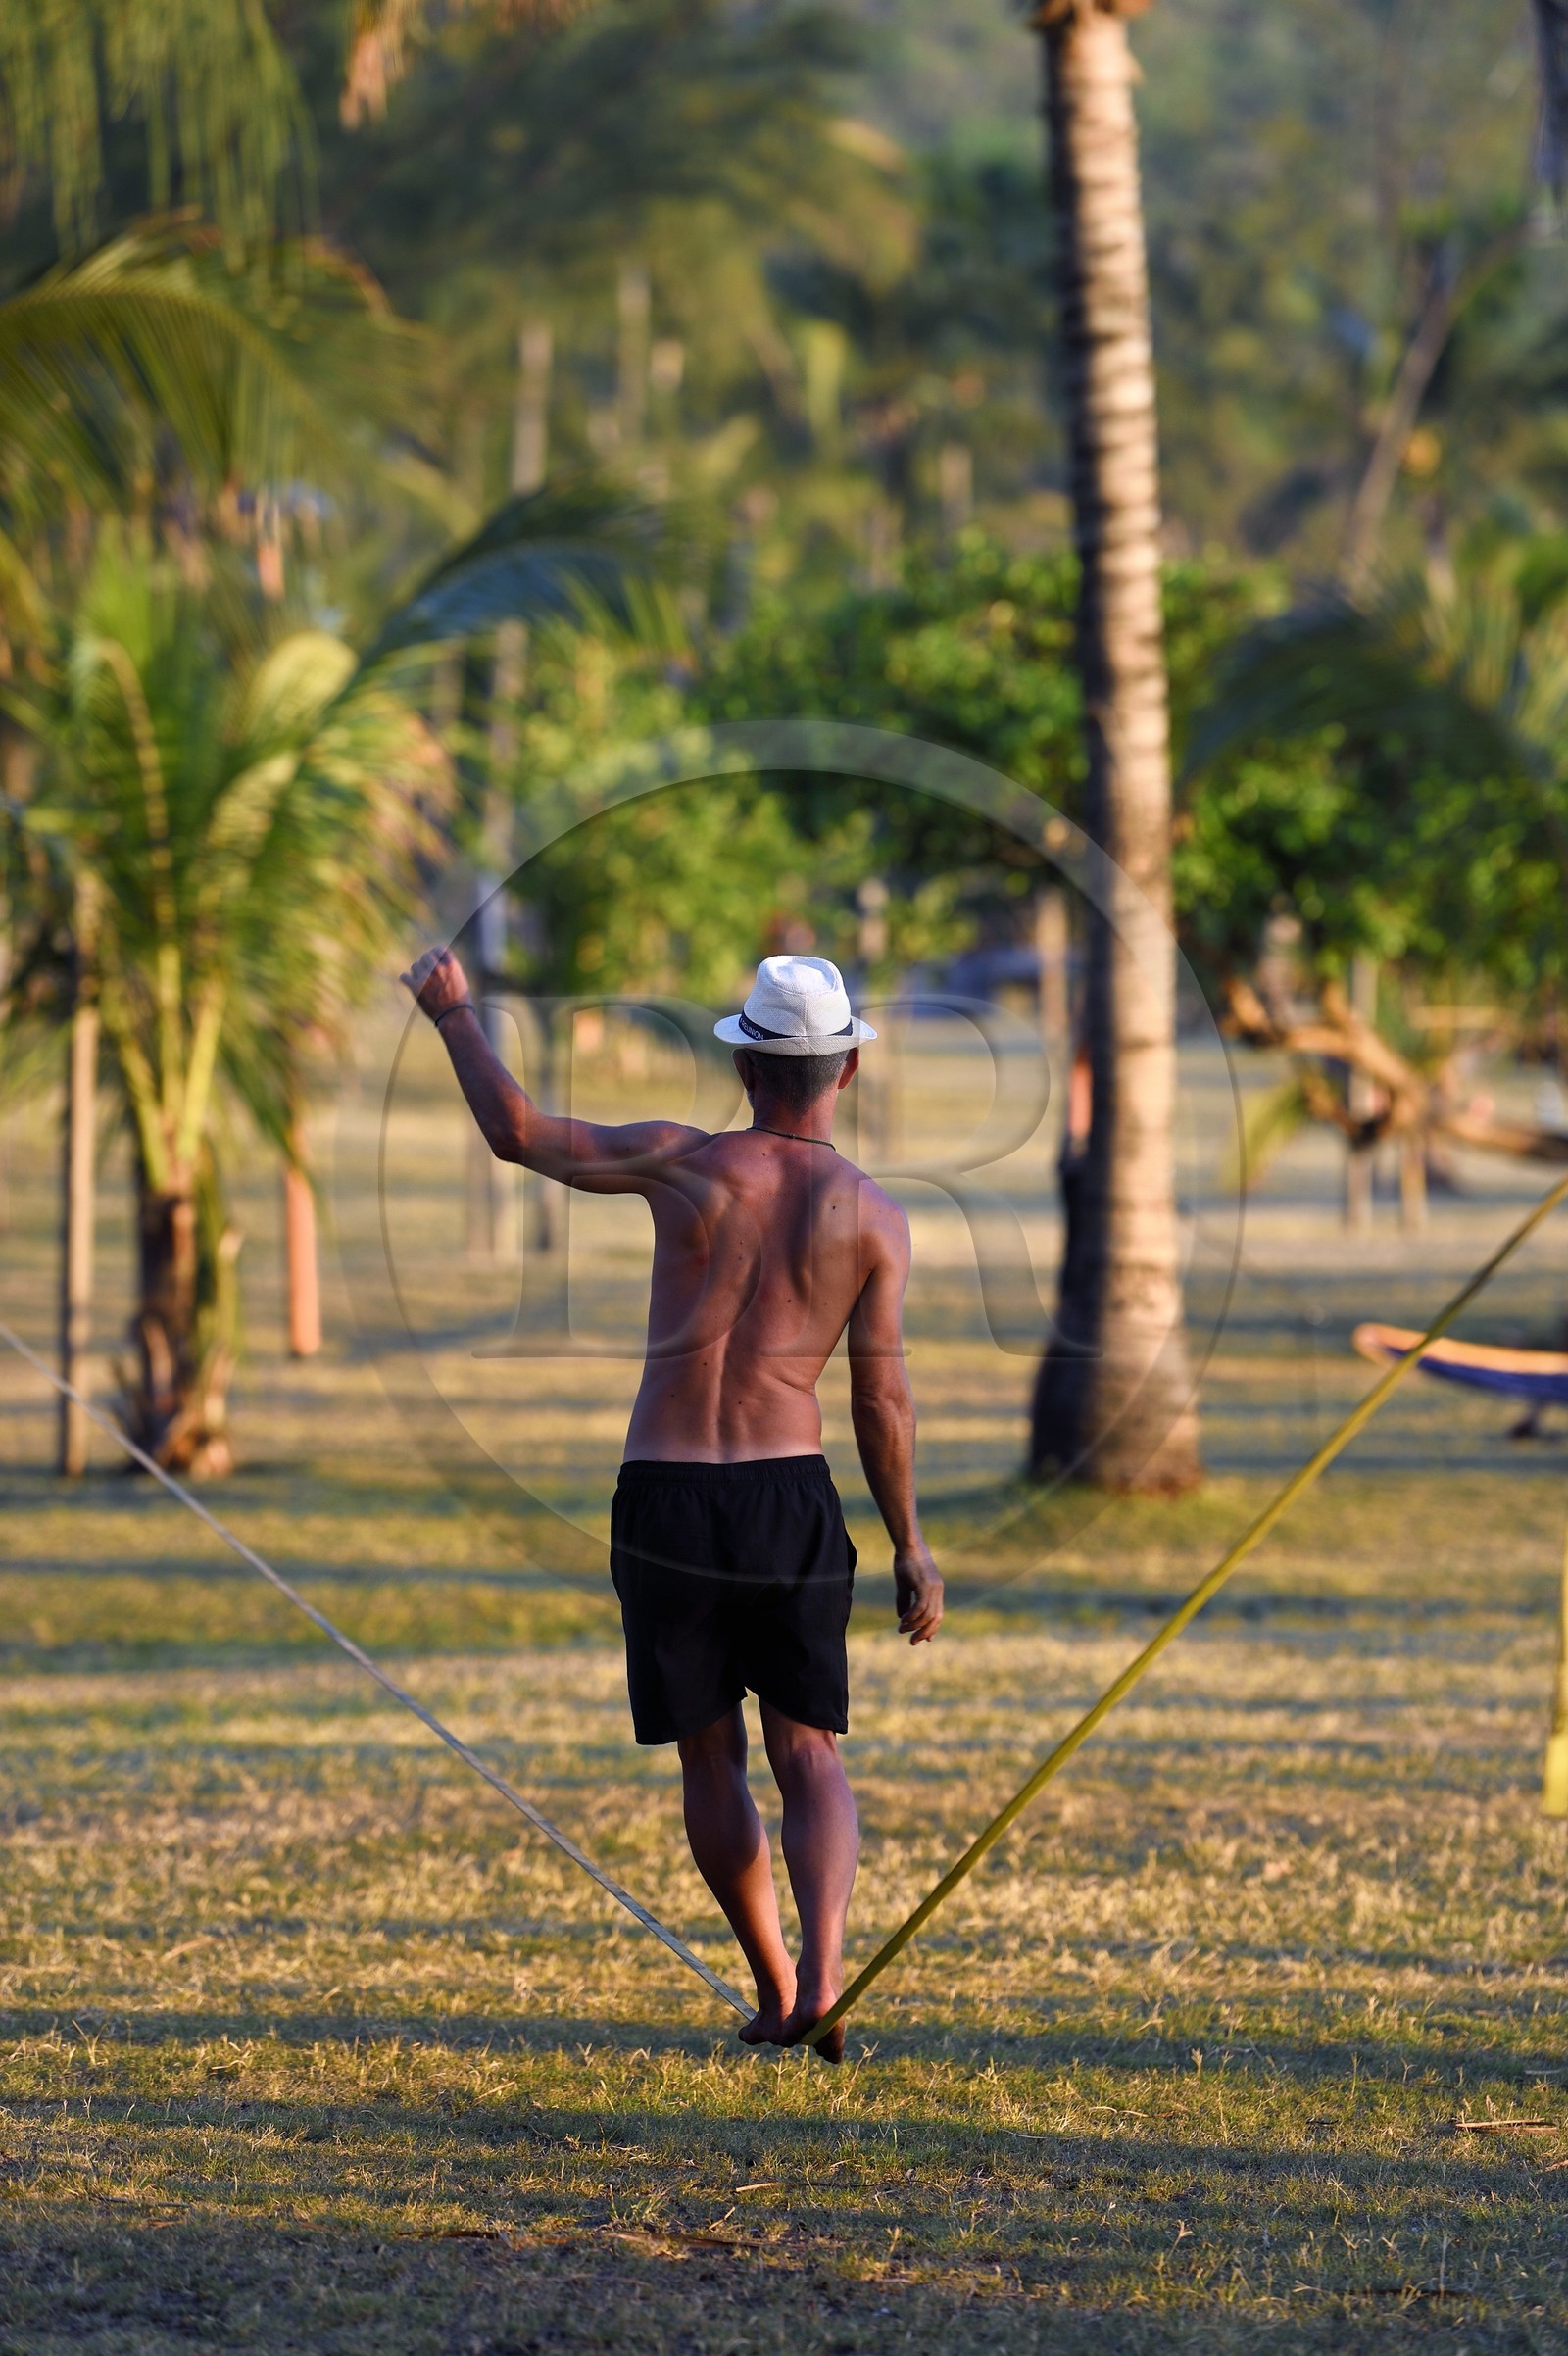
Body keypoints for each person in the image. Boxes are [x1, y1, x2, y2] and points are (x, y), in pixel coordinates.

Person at [400, 944, 943, 2058]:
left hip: (666, 1495)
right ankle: (828, 1976)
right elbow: (880, 1397)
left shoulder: (680, 1162)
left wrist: (454, 1013)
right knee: (811, 1752)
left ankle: (777, 1979)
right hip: (790, 1496)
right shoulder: (874, 1216)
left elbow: (518, 1135)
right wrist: (911, 1545)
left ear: (746, 1068)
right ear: (844, 1073)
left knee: (711, 1756)